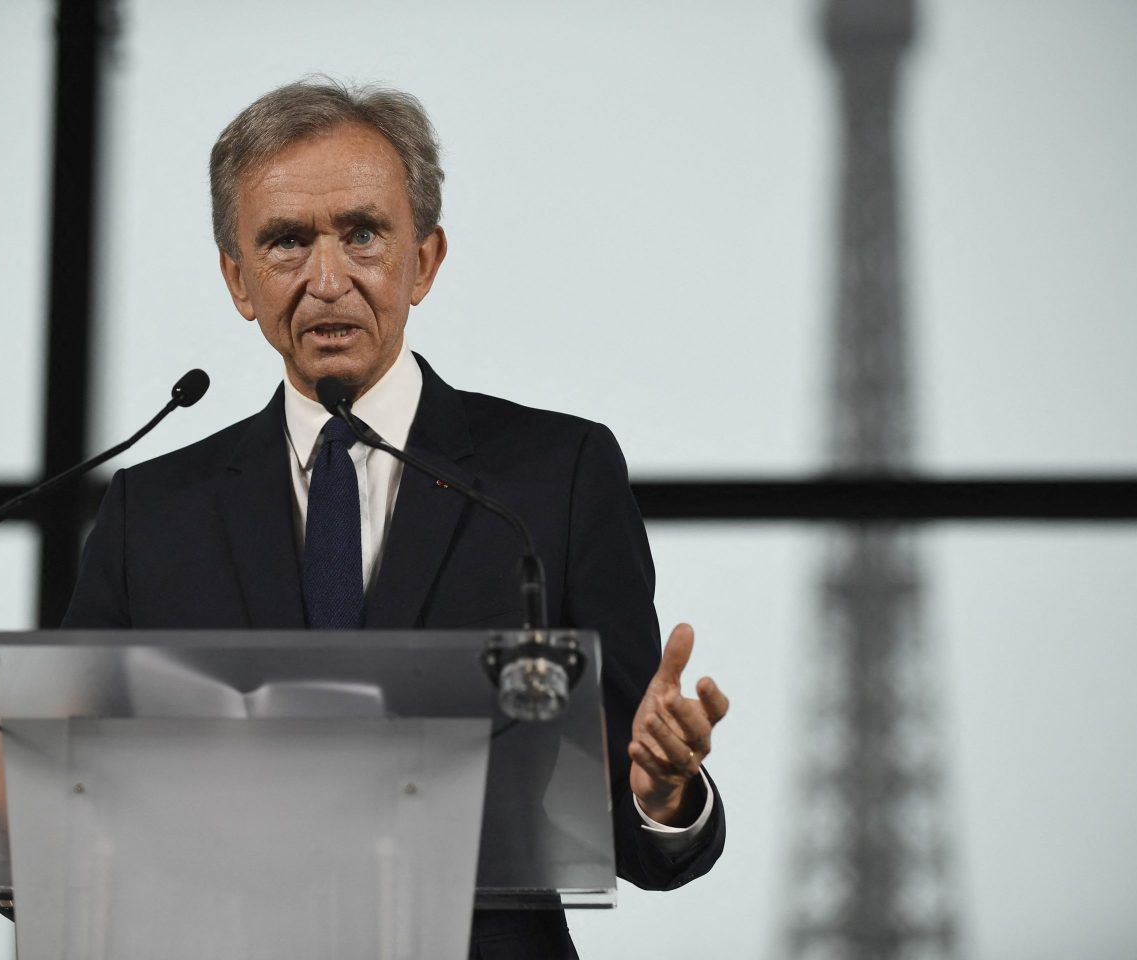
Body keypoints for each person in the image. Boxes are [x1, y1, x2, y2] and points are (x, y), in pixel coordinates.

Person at [64, 78, 730, 958]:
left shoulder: (553, 477)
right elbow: (64, 813)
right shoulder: (152, 511)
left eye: (364, 234)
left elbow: (631, 814)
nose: (327, 278)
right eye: (287, 242)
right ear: (238, 278)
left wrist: (661, 790)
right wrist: (26, 792)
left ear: (425, 260)